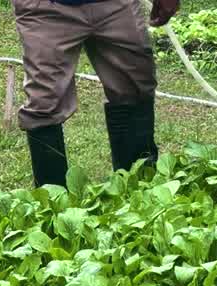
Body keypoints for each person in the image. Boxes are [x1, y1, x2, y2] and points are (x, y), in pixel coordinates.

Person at [13, 0, 180, 187]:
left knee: (135, 87)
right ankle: (52, 204)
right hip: (46, 7)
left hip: (115, 4)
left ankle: (139, 191)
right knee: (44, 103)